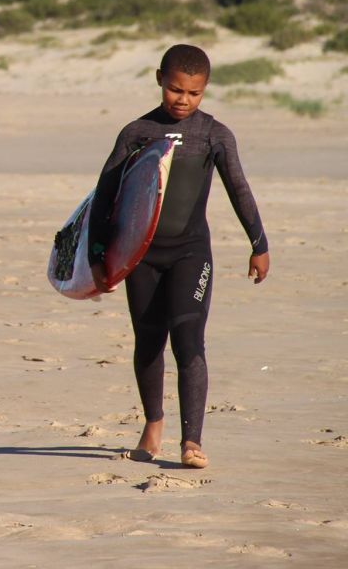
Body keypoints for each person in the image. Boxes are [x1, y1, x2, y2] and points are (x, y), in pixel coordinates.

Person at [88, 44, 269, 470]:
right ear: (159, 80)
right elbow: (104, 197)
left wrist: (258, 243)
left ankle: (192, 441)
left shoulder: (214, 135)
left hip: (191, 252)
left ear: (205, 91)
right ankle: (153, 427)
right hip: (141, 256)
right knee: (149, 342)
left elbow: (238, 189)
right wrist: (99, 255)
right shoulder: (137, 133)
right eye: (175, 90)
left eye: (194, 93)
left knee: (189, 340)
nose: (183, 100)